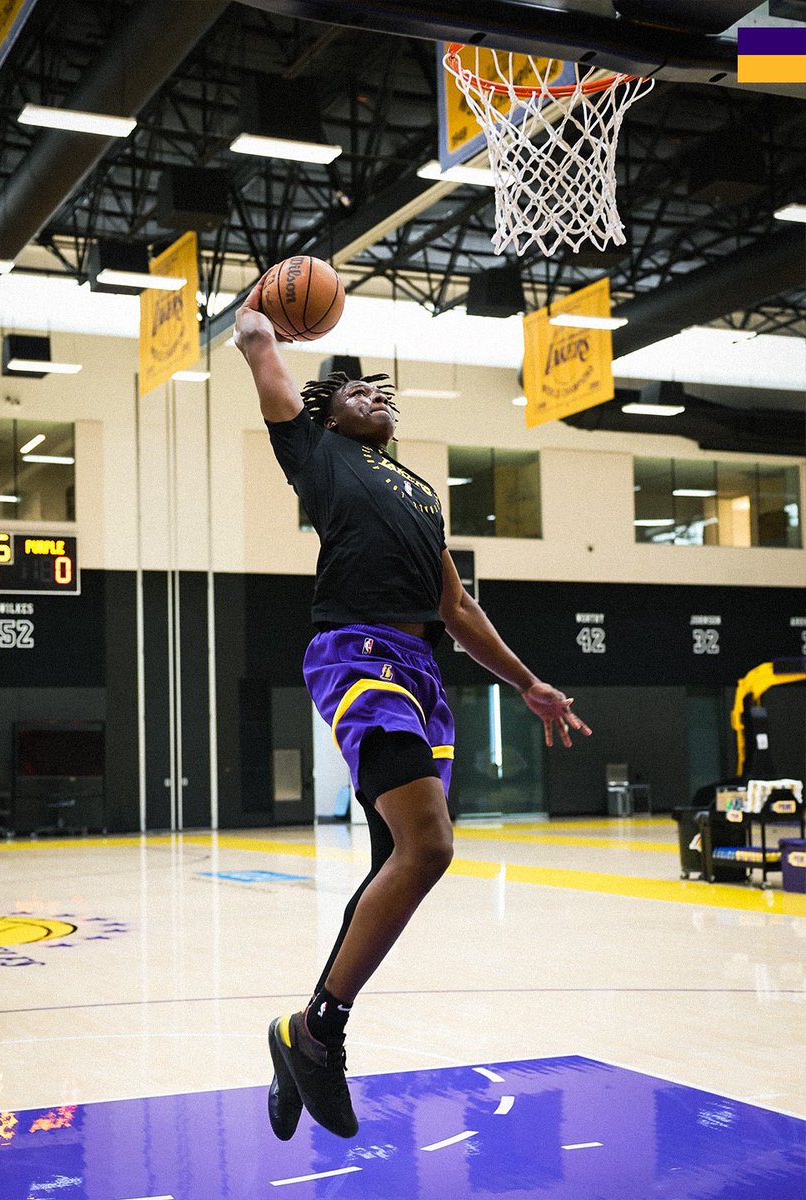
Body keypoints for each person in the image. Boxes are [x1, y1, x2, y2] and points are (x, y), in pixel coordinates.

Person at [233, 275, 591, 1142]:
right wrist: (263, 307)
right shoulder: (315, 454)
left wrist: (527, 682)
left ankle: (299, 1035)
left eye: (382, 390)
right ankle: (321, 1034)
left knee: (398, 864)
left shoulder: (423, 492)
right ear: (326, 416)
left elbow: (457, 609)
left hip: (423, 673)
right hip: (358, 653)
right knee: (430, 844)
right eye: (355, 391)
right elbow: (255, 340)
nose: (374, 395)